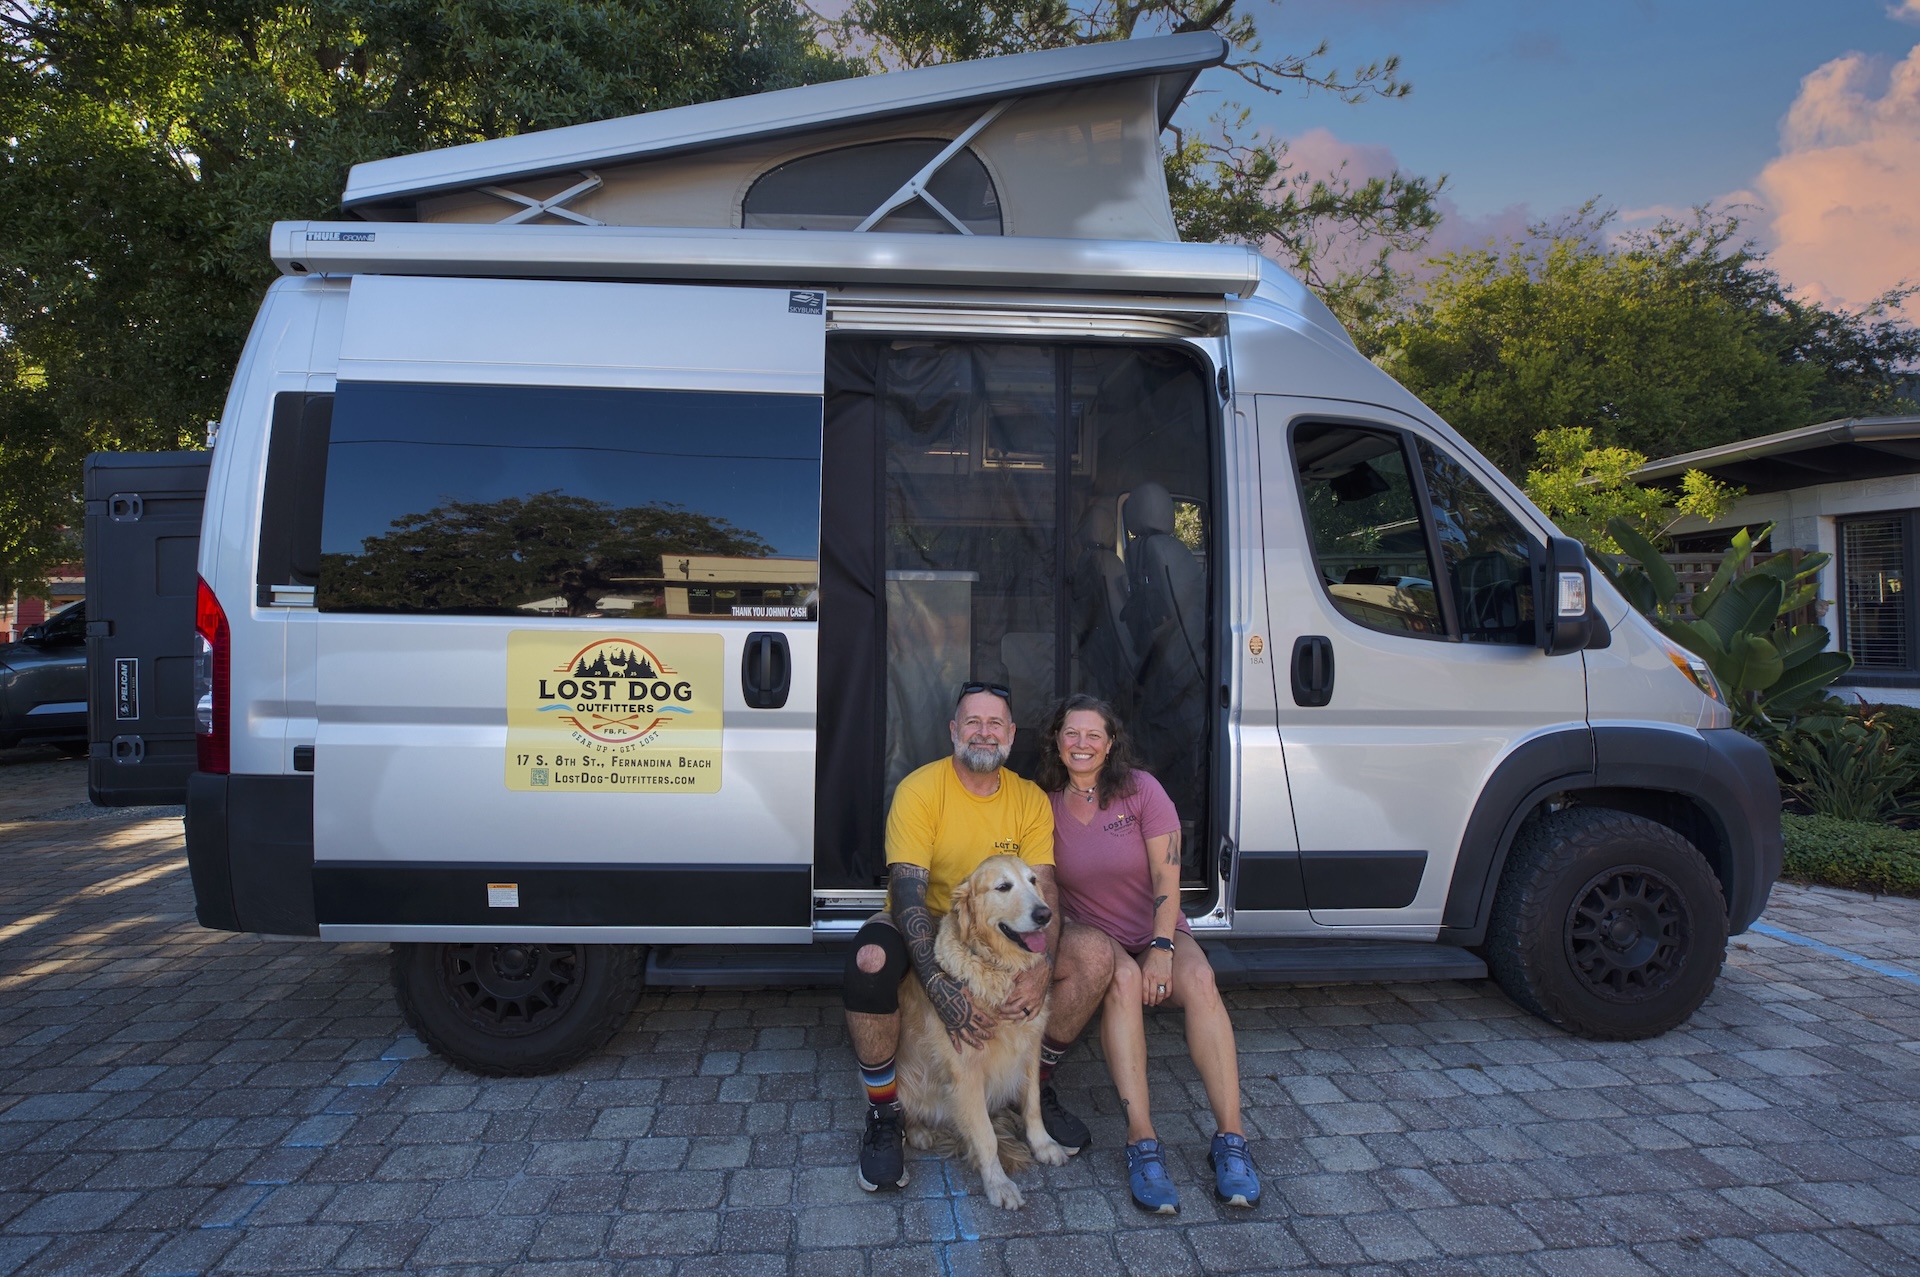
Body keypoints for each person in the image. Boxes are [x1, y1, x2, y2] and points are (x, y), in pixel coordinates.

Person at [843, 682, 1117, 1193]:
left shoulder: (1028, 799)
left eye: (995, 724)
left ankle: (1036, 1090)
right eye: (973, 722)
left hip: (1005, 932)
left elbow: (1044, 888)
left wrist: (1040, 968)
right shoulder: (920, 790)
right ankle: (886, 1115)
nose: (984, 733)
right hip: (925, 921)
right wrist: (939, 984)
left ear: (1011, 734)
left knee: (1097, 955)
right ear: (953, 731)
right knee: (872, 959)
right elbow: (906, 893)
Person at [1036, 693, 1260, 1214]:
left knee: (1202, 983)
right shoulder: (1042, 806)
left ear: (1111, 743)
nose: (1082, 744)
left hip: (1156, 930)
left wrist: (1161, 948)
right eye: (1072, 733)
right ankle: (1143, 1142)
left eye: (1094, 734)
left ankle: (1231, 1140)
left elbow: (1169, 875)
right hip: (1101, 938)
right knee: (1121, 982)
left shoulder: (1142, 791)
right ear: (1056, 741)